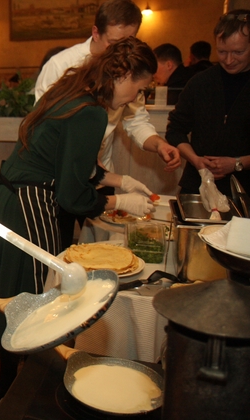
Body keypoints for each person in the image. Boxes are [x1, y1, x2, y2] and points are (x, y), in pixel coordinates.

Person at [0, 36, 158, 415]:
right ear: (122, 75)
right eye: (138, 89)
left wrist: (118, 180)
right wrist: (119, 200)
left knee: (16, 295)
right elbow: (72, 196)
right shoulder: (91, 112)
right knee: (37, 303)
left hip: (6, 198)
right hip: (29, 205)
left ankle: (5, 387)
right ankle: (17, 393)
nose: (135, 99)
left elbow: (65, 159)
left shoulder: (70, 89)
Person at [34, 0, 180, 248]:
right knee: (58, 247)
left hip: (102, 177)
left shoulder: (129, 73)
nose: (119, 53)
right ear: (95, 33)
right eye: (113, 44)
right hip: (61, 178)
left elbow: (136, 120)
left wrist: (158, 144)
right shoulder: (60, 66)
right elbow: (44, 128)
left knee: (102, 247)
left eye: (127, 43)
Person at [166, 10, 250, 196]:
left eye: (238, 52)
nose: (229, 60)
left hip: (245, 191)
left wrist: (237, 163)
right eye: (222, 52)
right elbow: (175, 130)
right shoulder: (200, 82)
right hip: (197, 187)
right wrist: (195, 160)